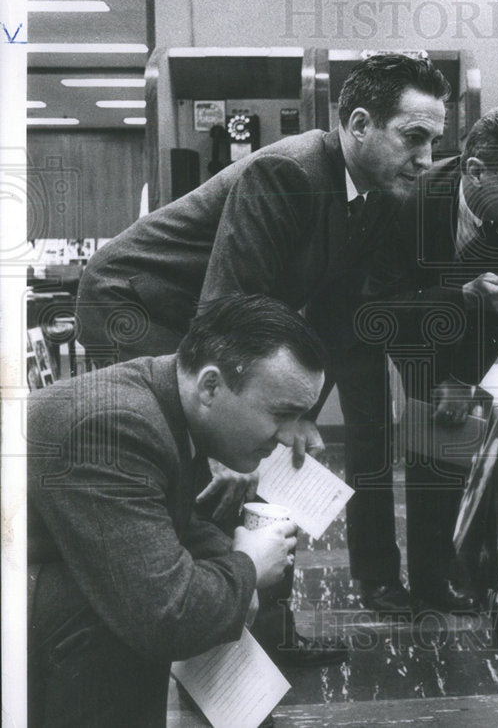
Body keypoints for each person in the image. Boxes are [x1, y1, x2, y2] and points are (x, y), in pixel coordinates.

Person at [74, 53, 451, 644]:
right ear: (358, 125)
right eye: (414, 137)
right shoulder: (289, 173)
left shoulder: (377, 195)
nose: (427, 159)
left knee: (266, 455)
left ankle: (265, 634)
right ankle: (192, 631)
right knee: (203, 464)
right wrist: (236, 438)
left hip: (209, 318)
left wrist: (297, 417)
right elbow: (224, 314)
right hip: (137, 301)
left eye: (435, 141)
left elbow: (335, 316)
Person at [27, 295, 325, 726]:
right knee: (116, 615)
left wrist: (229, 571)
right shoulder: (113, 426)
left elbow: (167, 520)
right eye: (282, 413)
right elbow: (164, 615)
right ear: (210, 386)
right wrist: (247, 566)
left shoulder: (162, 398)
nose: (287, 437)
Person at [363, 108, 498, 610]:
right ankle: (379, 577)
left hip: (453, 319)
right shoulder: (407, 198)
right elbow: (382, 307)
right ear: (474, 172)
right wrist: (462, 298)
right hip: (370, 320)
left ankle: (434, 575)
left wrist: (461, 380)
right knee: (370, 451)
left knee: (444, 437)